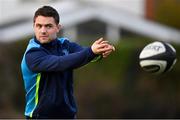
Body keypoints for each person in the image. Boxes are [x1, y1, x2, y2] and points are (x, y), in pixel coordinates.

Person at [21, 5, 115, 119]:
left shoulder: (64, 45)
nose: (43, 31)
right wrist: (91, 52)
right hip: (40, 116)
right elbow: (60, 63)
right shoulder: (33, 53)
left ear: (58, 27)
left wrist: (101, 50)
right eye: (39, 26)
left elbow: (84, 53)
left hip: (68, 115)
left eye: (48, 26)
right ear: (34, 27)